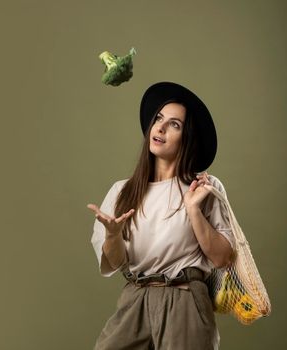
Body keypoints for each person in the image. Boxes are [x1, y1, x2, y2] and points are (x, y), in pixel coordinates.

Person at [86, 82, 235, 350]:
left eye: (174, 124)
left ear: (186, 137)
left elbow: (223, 257)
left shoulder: (203, 188)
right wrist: (112, 234)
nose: (161, 128)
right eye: (158, 119)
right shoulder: (123, 191)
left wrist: (192, 210)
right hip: (136, 298)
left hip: (185, 299)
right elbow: (114, 263)